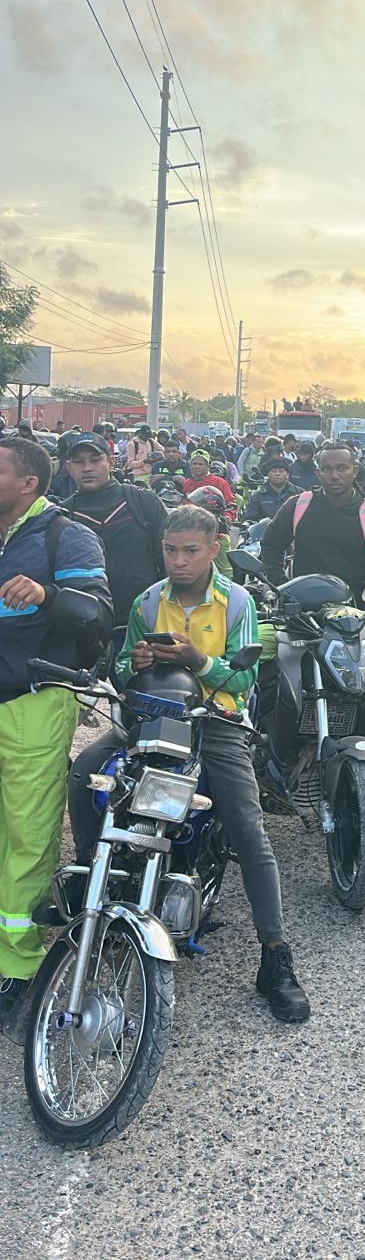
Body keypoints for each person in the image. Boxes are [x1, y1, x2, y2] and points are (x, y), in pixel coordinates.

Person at [68, 505, 309, 1024]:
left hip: (215, 721)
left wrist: (196, 661)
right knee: (87, 772)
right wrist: (138, 662)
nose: (178, 561)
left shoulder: (238, 602)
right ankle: (93, 881)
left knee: (249, 827)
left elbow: (245, 679)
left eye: (190, 551)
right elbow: (125, 662)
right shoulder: (147, 601)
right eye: (170, 551)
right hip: (151, 716)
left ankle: (275, 954)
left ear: (213, 549)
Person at [0, 436, 112, 1027]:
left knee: (27, 832)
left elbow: (96, 609)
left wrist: (48, 594)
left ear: (28, 484)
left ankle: (15, 964)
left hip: (36, 701)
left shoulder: (65, 533)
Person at [260, 442, 365, 610]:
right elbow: (270, 545)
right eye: (327, 469)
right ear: (318, 473)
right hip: (301, 617)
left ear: (355, 471)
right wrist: (281, 587)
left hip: (355, 618)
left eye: (342, 468)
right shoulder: (298, 506)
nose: (334, 475)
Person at [61, 432, 167, 641]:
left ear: (110, 462)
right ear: (68, 467)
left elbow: (168, 561)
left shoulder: (142, 502)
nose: (87, 467)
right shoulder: (63, 517)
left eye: (96, 459)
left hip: (141, 627)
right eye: (79, 462)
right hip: (83, 634)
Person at [183, 451, 236, 520]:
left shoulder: (220, 482)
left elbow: (231, 503)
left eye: (201, 464)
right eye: (194, 464)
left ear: (208, 466)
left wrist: (228, 516)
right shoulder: (187, 483)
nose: (197, 467)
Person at [242, 457, 294, 524]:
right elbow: (249, 517)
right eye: (273, 471)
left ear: (288, 474)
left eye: (281, 471)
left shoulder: (298, 493)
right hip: (263, 532)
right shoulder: (257, 495)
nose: (277, 474)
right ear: (268, 474)